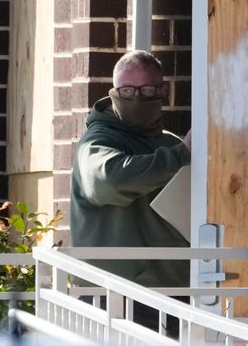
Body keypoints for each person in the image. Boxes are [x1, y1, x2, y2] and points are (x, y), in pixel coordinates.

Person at [71, 51, 191, 330]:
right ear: (113, 92)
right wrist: (181, 156)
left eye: (148, 89)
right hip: (116, 299)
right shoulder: (97, 141)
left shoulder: (170, 145)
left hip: (178, 296)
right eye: (127, 90)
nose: (137, 98)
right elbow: (108, 180)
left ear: (163, 91)